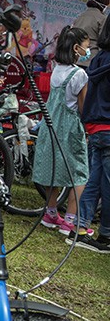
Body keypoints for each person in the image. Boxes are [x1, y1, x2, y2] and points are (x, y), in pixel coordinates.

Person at [33, 26, 92, 236]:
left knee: (53, 170)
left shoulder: (57, 69)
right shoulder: (79, 74)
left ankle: (51, 214)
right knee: (79, 175)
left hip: (51, 125)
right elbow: (83, 107)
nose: (88, 50)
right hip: (70, 128)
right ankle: (70, 221)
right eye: (86, 46)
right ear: (76, 48)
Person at [68, 18, 110, 252]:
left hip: (95, 127)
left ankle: (80, 227)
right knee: (105, 184)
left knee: (94, 180)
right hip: (107, 127)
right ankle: (105, 235)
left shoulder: (98, 59)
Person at [72, 0, 109, 69]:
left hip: (75, 59)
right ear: (103, 4)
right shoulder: (102, 18)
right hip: (91, 61)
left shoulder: (80, 17)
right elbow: (103, 41)